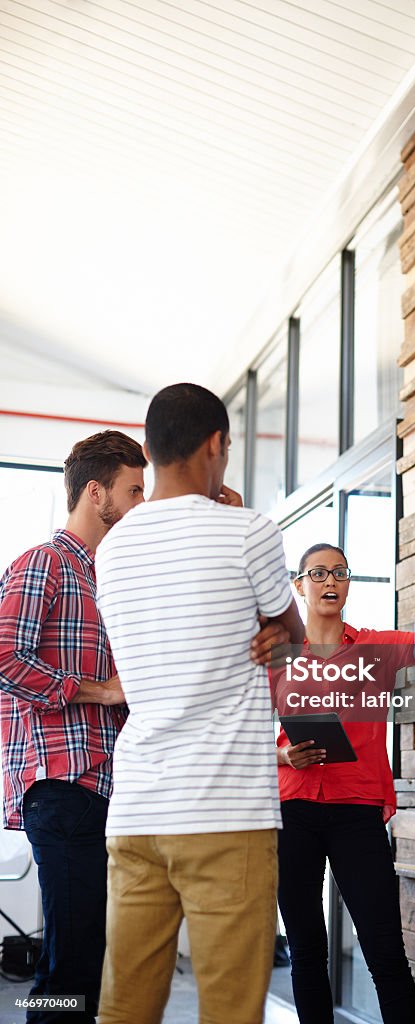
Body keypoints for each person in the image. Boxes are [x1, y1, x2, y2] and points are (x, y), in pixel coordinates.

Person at [94, 382, 304, 1024]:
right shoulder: (249, 532)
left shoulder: (111, 550)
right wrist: (272, 627)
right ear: (217, 446)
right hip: (224, 810)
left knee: (124, 1004)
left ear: (152, 452)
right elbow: (291, 636)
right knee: (231, 1010)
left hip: (136, 812)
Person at [0, 430, 147, 1024]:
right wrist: (102, 690)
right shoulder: (45, 563)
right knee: (67, 967)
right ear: (96, 492)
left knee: (90, 958)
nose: (140, 503)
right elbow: (6, 657)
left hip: (102, 791)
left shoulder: (106, 577)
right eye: (133, 490)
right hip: (60, 789)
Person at [271, 542, 415, 1024]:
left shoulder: (377, 648)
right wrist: (281, 753)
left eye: (339, 572)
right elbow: (235, 732)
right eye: (317, 573)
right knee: (306, 952)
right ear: (298, 585)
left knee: (384, 950)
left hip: (357, 812)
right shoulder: (276, 656)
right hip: (292, 810)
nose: (330, 581)